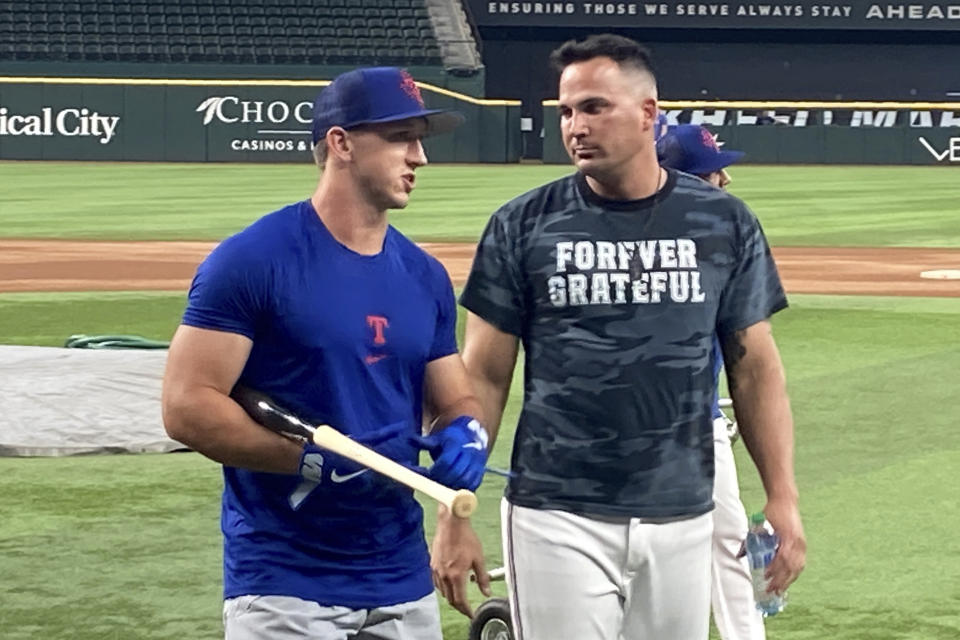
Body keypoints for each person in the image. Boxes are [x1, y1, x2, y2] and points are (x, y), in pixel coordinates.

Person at [432, 34, 806, 639]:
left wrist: (782, 497)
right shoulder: (522, 225)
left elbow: (755, 367)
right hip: (556, 511)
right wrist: (454, 508)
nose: (576, 126)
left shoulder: (722, 222)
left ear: (648, 113)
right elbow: (482, 377)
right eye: (567, 112)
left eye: (594, 107)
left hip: (682, 509)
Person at [161, 66, 490, 640]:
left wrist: (467, 430)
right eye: (399, 137)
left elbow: (453, 394)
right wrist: (306, 461)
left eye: (420, 140)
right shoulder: (252, 262)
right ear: (340, 143)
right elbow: (187, 406)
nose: (419, 157)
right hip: (286, 583)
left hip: (400, 579)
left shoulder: (425, 276)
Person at [657, 123, 767, 640]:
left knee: (728, 541)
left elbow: (751, 360)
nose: (724, 178)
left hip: (701, 422)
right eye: (711, 171)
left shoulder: (725, 242)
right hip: (633, 436)